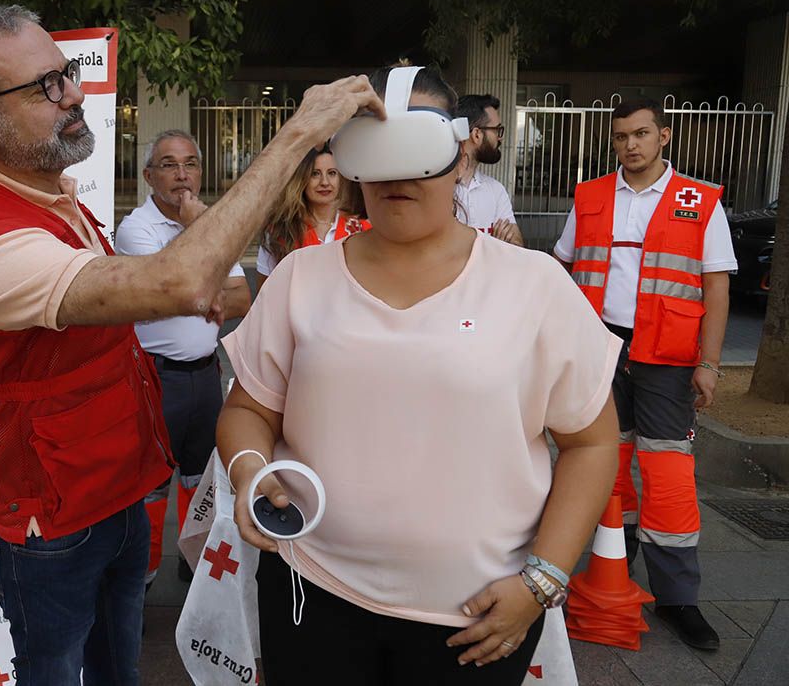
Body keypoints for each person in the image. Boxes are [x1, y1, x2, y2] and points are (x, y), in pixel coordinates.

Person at [0, 4, 386, 686]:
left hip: (121, 491)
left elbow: (215, 296)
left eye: (67, 74)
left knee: (120, 666)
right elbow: (184, 281)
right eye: (45, 86)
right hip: (53, 526)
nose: (74, 94)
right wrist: (298, 134)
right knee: (53, 672)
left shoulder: (54, 196)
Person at [218, 65, 621, 686]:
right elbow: (250, 409)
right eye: (377, 151)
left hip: (474, 619)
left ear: (463, 155)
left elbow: (590, 442)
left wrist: (543, 579)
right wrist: (251, 475)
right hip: (313, 592)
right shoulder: (301, 278)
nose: (397, 175)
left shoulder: (533, 285)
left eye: (419, 151)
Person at [553, 96, 736, 650]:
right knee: (604, 465)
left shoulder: (699, 201)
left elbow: (716, 285)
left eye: (640, 134)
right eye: (620, 137)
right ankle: (607, 574)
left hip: (667, 360)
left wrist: (709, 362)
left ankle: (679, 599)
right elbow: (562, 268)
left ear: (665, 136)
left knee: (669, 476)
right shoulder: (589, 196)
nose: (629, 145)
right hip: (601, 351)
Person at [115, 129, 251, 585]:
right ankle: (143, 577)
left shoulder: (207, 222)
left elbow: (240, 299)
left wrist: (201, 235)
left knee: (202, 480)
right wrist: (202, 261)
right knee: (151, 485)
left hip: (204, 376)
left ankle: (193, 566)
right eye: (170, 165)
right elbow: (175, 289)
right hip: (157, 378)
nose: (181, 175)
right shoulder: (137, 228)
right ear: (150, 175)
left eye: (190, 164)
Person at [255, 146, 369, 290]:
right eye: (315, 174)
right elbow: (265, 294)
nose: (325, 182)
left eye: (332, 173)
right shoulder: (278, 230)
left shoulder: (362, 228)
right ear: (302, 179)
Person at [453, 94, 523, 245]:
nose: (500, 138)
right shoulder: (440, 188)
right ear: (477, 135)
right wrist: (494, 246)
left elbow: (517, 245)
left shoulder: (496, 191)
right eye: (497, 130)